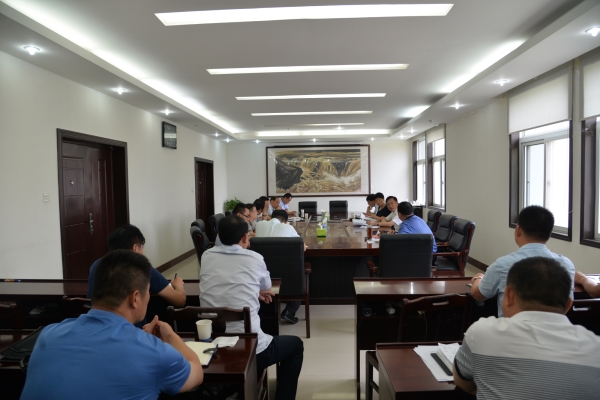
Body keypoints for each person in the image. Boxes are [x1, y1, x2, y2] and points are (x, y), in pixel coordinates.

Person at [21, 250, 204, 399]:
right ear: (135, 298)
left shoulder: (48, 335)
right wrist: (170, 336)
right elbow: (196, 372)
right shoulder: (154, 352)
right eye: (148, 291)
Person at [453, 256, 600, 399]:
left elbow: (464, 384)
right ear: (568, 304)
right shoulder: (595, 348)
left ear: (509, 295)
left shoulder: (481, 333)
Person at [200, 216, 304, 400]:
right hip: (250, 351)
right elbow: (267, 287)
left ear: (219, 236)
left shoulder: (206, 256)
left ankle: (229, 389)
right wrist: (257, 291)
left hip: (212, 348)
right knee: (295, 346)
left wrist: (254, 292)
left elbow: (226, 284)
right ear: (245, 237)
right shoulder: (255, 258)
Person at [470, 205, 575, 317]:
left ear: (518, 230)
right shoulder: (566, 265)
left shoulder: (501, 265)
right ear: (549, 235)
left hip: (511, 327)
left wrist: (478, 278)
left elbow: (478, 295)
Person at [87, 224, 186, 327]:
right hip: (132, 330)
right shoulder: (139, 267)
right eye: (141, 248)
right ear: (135, 248)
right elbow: (179, 300)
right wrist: (179, 285)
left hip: (95, 326)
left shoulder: (96, 265)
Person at [254, 210, 305, 324]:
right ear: (285, 221)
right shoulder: (288, 228)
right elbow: (301, 246)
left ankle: (267, 310)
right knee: (300, 275)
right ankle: (289, 311)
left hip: (263, 273)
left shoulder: (259, 225)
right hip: (285, 275)